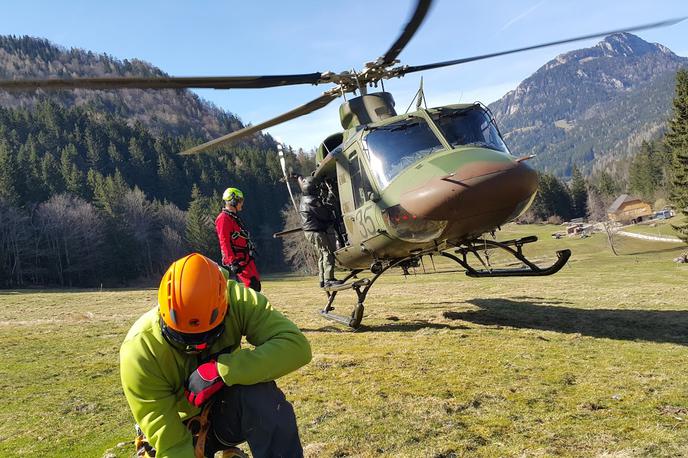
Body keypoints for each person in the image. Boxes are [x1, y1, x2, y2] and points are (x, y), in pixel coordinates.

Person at [120, 253, 311, 457]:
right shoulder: (140, 351)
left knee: (261, 396)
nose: (197, 348)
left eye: (208, 337)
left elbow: (296, 346)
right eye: (183, 340)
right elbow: (172, 445)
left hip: (222, 414)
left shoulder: (237, 300)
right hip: (176, 427)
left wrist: (223, 369)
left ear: (224, 308)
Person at [298, 176, 342, 288]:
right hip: (317, 232)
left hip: (311, 232)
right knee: (328, 253)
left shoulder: (305, 199)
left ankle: (322, 280)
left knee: (322, 255)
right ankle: (329, 279)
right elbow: (324, 215)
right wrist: (330, 199)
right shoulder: (312, 201)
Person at [215, 187, 261, 292]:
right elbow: (224, 242)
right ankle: (248, 307)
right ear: (233, 201)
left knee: (256, 284)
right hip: (237, 259)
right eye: (240, 201)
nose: (242, 203)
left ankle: (253, 307)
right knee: (252, 285)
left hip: (245, 257)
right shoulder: (223, 219)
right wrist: (232, 262)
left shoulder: (233, 217)